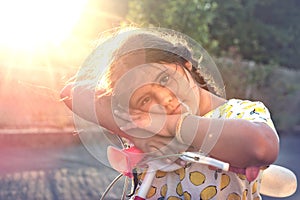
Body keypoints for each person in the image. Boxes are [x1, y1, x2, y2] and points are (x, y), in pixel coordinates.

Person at [61, 28, 279, 199]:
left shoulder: (239, 112)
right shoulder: (140, 122)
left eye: (164, 79)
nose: (164, 98)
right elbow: (71, 93)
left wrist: (174, 126)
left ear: (185, 64)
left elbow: (262, 145)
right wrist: (140, 133)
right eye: (145, 98)